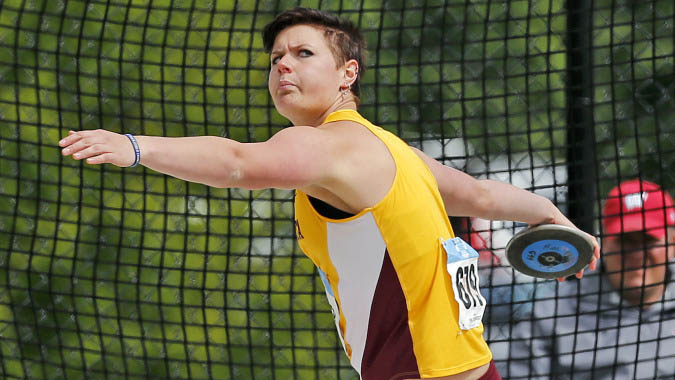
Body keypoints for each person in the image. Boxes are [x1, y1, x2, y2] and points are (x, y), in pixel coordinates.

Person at [58, 7, 598, 380]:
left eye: (301, 53)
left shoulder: (332, 147)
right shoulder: (389, 149)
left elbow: (239, 164)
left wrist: (135, 146)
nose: (282, 65)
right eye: (275, 59)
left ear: (348, 73)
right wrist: (551, 214)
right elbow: (479, 197)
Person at [507, 179, 675, 379]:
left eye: (649, 240)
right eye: (625, 240)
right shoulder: (552, 313)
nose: (637, 253)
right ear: (603, 241)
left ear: (672, 243)